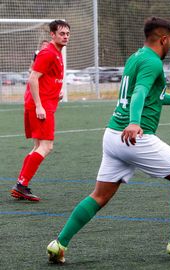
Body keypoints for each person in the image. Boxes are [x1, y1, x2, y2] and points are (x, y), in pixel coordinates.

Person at [46, 17, 170, 263]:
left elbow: (154, 95)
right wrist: (135, 122)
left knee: (99, 196)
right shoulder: (153, 62)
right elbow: (139, 93)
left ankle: (59, 243)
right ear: (163, 39)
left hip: (113, 135)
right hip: (134, 137)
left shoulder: (136, 57)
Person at [10, 20, 70, 201]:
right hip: (40, 107)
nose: (65, 36)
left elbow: (45, 79)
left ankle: (21, 184)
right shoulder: (48, 53)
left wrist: (53, 95)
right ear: (52, 35)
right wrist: (39, 105)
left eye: (67, 33)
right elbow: (33, 78)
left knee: (37, 146)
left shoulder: (57, 53)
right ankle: (21, 185)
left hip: (44, 103)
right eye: (61, 34)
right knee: (46, 146)